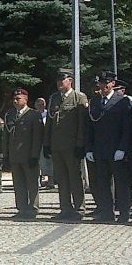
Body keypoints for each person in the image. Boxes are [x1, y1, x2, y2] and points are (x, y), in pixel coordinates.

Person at [85, 71, 132, 223]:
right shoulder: (94, 102)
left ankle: (124, 213)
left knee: (122, 183)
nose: (104, 85)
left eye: (107, 83)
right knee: (102, 183)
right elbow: (89, 127)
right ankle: (106, 212)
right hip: (100, 149)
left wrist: (123, 148)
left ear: (113, 83)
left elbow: (127, 127)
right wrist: (89, 149)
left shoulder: (123, 101)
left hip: (117, 149)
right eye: (101, 83)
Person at [44, 69, 88, 221]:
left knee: (75, 178)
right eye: (57, 80)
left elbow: (82, 124)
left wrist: (80, 144)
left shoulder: (79, 97)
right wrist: (47, 144)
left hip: (72, 145)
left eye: (62, 80)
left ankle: (79, 209)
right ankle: (65, 208)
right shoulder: (54, 99)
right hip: (57, 146)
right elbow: (49, 122)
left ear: (70, 80)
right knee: (61, 178)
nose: (59, 83)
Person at [3, 88, 44, 220]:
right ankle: (21, 208)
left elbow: (37, 137)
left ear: (25, 100)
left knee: (32, 184)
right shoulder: (9, 115)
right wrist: (6, 154)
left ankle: (32, 209)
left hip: (28, 155)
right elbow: (6, 136)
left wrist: (34, 155)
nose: (15, 101)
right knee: (19, 184)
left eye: (18, 99)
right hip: (15, 156)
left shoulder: (33, 115)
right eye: (14, 99)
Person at [34, 97, 55, 189]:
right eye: (38, 104)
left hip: (46, 141)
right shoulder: (32, 114)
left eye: (42, 104)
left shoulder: (48, 114)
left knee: (49, 162)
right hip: (35, 142)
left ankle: (50, 181)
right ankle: (37, 182)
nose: (40, 106)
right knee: (37, 162)